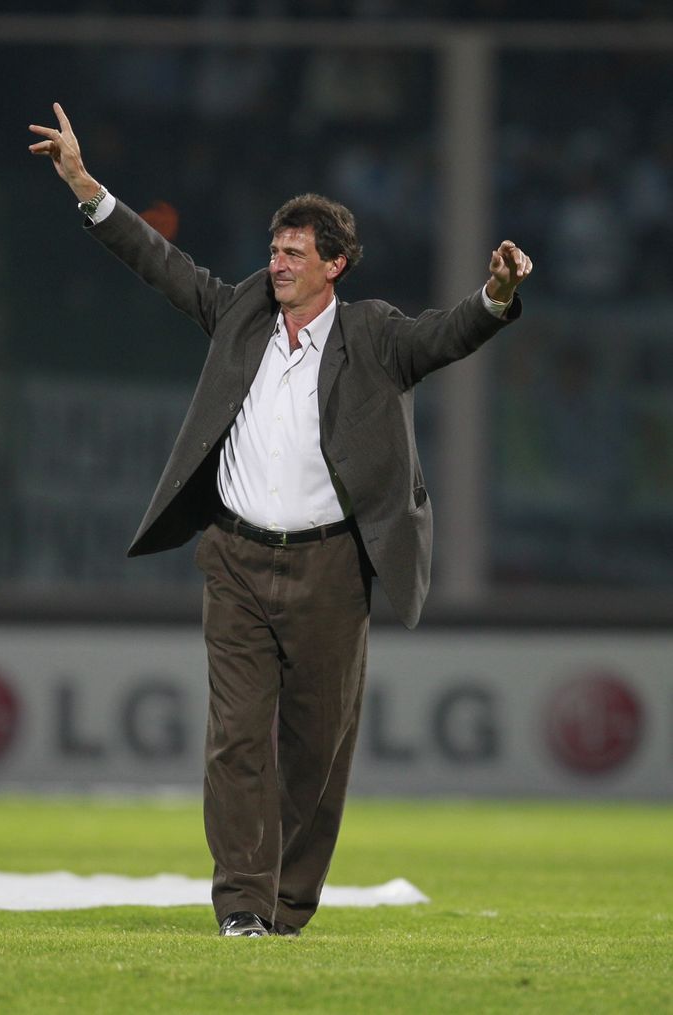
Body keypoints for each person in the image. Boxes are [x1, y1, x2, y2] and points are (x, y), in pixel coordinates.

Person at [29, 103, 532, 938]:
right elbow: (159, 261)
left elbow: (449, 335)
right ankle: (240, 909)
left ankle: (287, 908)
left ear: (334, 264)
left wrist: (498, 293)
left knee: (315, 752)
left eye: (295, 253)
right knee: (234, 738)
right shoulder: (240, 314)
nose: (278, 263)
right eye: (273, 250)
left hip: (332, 570)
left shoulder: (374, 335)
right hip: (233, 558)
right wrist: (87, 188)